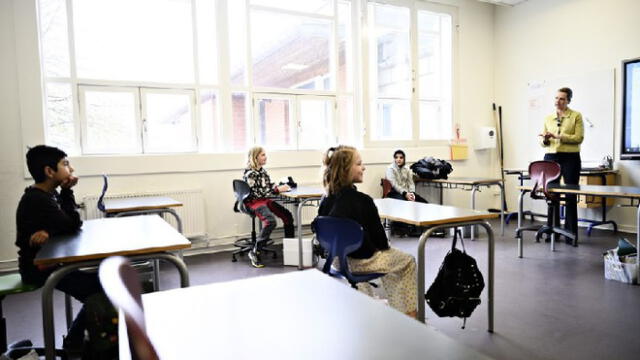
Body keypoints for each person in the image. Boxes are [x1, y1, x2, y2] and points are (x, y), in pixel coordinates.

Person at [15, 145, 103, 354]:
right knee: (101, 289)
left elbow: (63, 224)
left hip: (52, 263)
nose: (71, 169)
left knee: (101, 282)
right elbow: (72, 223)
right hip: (39, 269)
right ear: (49, 171)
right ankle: (74, 342)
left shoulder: (46, 195)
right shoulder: (38, 199)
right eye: (65, 164)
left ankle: (77, 339)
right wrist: (67, 191)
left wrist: (50, 229)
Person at [317, 145, 417, 318]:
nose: (363, 167)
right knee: (406, 261)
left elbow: (320, 228)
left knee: (384, 261)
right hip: (361, 262)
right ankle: (409, 316)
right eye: (359, 164)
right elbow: (381, 243)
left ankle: (374, 308)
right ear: (346, 169)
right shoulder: (363, 201)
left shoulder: (326, 199)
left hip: (338, 261)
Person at [539, 87, 584, 243]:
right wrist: (545, 139)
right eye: (556, 98)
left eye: (562, 99)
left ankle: (571, 234)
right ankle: (553, 232)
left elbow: (579, 138)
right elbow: (543, 143)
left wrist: (558, 136)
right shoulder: (548, 118)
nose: (558, 101)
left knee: (571, 194)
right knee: (552, 194)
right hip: (551, 157)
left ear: (568, 101)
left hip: (570, 157)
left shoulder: (576, 116)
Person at [243, 146, 294, 268]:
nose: (265, 157)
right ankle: (255, 251)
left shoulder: (262, 171)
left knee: (287, 216)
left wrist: (278, 186)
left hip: (265, 200)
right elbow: (257, 193)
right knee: (271, 221)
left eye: (265, 154)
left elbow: (266, 186)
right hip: (254, 202)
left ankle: (290, 248)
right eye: (263, 155)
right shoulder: (250, 174)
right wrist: (276, 189)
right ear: (255, 158)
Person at [385, 150, 427, 236]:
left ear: (404, 159)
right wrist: (405, 194)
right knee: (403, 203)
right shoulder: (390, 169)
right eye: (396, 157)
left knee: (424, 203)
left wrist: (412, 194)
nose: (399, 159)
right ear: (394, 159)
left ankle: (422, 228)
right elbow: (395, 185)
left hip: (408, 193)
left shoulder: (407, 169)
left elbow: (411, 183)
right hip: (394, 193)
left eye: (401, 157)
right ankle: (402, 228)